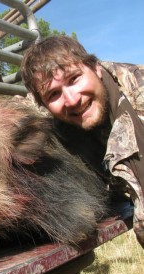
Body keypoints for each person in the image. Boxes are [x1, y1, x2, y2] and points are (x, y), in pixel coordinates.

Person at [20, 35, 144, 246]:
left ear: (96, 67)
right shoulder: (49, 110)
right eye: (53, 94)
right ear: (43, 105)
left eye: (74, 79)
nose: (72, 100)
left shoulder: (138, 89)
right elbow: (13, 113)